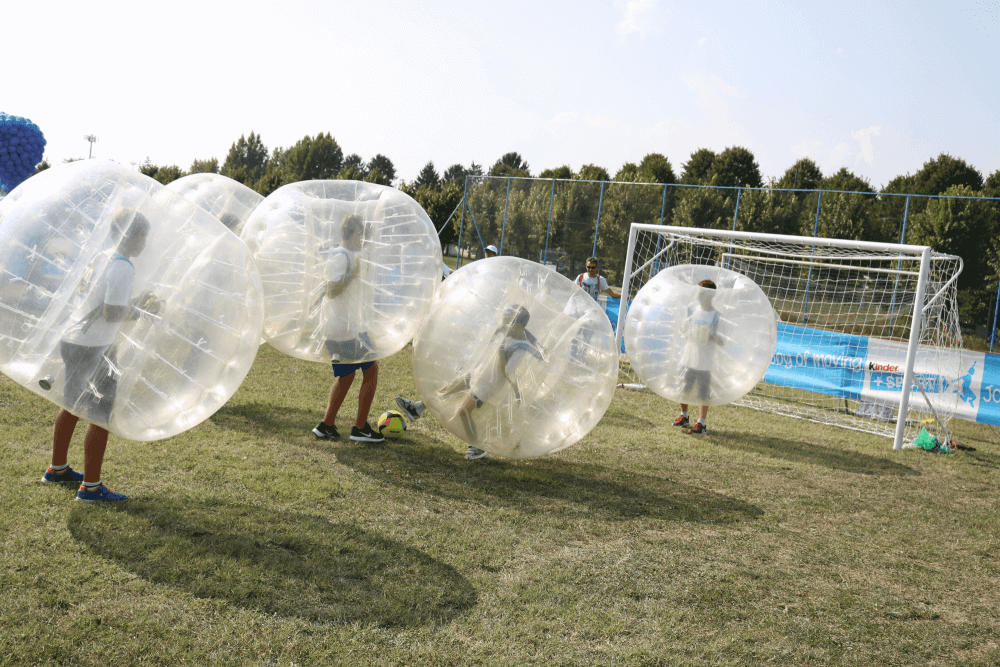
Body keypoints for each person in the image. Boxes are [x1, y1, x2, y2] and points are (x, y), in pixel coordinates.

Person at [43, 210, 157, 502]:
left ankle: (57, 469)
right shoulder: (123, 267)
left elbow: (100, 304)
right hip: (95, 347)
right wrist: (142, 311)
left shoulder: (102, 256)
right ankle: (91, 488)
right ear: (133, 236)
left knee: (71, 404)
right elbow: (111, 312)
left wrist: (134, 302)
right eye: (143, 236)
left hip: (74, 339)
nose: (145, 243)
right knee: (99, 414)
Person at [395, 304, 544, 459]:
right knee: (446, 391)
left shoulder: (520, 348)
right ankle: (417, 408)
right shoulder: (509, 332)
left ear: (518, 325)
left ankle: (477, 446)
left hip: (488, 385)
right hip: (479, 373)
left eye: (507, 322)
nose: (503, 325)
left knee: (464, 411)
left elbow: (508, 371)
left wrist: (500, 352)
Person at [312, 213, 383, 443]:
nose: (362, 239)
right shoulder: (341, 257)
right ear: (351, 233)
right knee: (370, 371)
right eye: (360, 234)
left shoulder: (346, 253)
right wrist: (354, 273)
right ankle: (360, 428)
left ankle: (326, 425)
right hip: (343, 330)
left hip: (347, 328)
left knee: (348, 376)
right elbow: (332, 291)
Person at [672, 279, 720, 435]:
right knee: (684, 387)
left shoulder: (716, 315)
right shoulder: (691, 308)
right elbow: (685, 328)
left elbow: (721, 340)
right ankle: (684, 416)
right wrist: (685, 331)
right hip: (689, 356)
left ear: (710, 295)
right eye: (698, 292)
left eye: (701, 293)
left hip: (704, 361)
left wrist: (708, 336)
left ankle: (702, 423)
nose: (698, 295)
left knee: (703, 392)